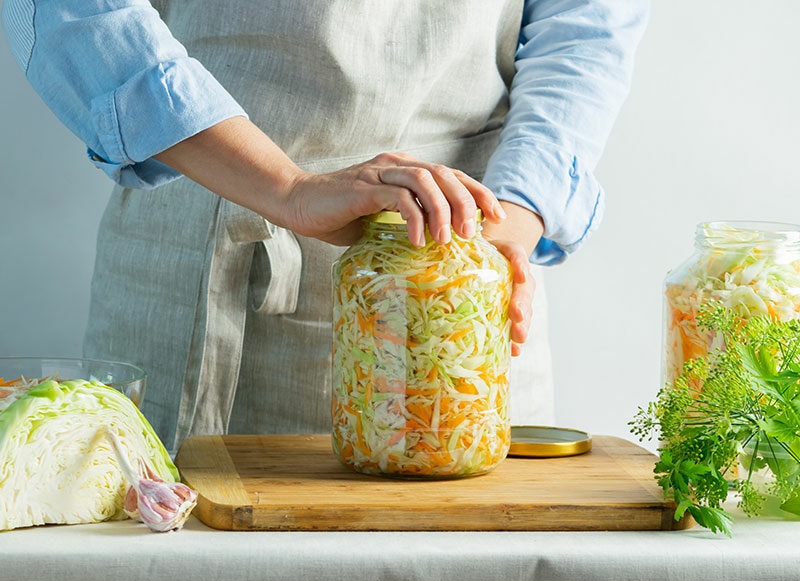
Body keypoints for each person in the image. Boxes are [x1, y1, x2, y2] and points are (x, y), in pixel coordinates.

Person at [2, 0, 648, 454]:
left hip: (469, 283)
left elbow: (589, 22)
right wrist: (283, 186)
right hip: (202, 243)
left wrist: (515, 216)